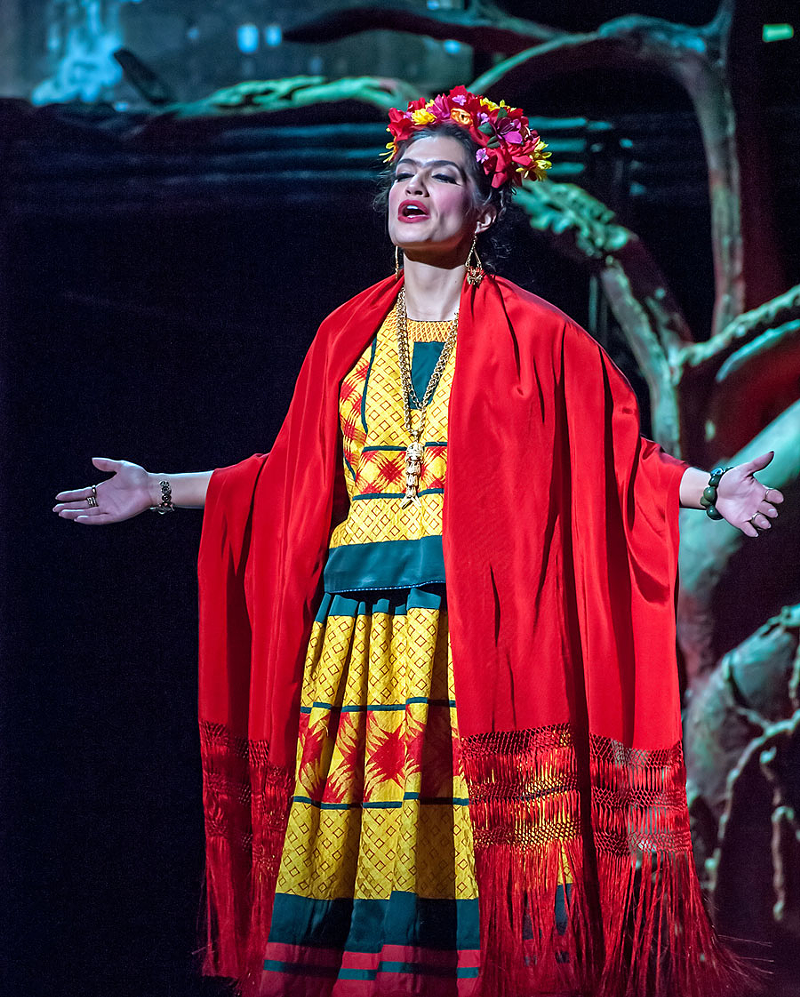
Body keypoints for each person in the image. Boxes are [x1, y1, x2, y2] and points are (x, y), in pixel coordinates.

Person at [54, 87, 782, 997]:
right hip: (357, 648)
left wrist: (711, 488)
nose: (416, 188)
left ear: (485, 206)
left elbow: (616, 462)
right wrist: (159, 489)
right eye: (404, 173)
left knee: (467, 857)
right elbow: (285, 479)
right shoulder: (344, 337)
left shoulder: (542, 338)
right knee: (358, 860)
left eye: (444, 176)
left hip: (473, 640)